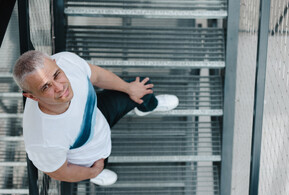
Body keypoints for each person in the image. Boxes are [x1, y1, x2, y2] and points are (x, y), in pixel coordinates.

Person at [13, 51, 179, 186]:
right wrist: (93, 171)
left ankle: (146, 107)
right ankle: (96, 176)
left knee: (141, 88)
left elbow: (98, 77)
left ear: (56, 63)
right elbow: (60, 172)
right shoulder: (42, 140)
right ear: (32, 97)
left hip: (96, 111)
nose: (60, 87)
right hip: (91, 155)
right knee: (98, 166)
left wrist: (129, 88)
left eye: (56, 75)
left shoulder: (66, 61)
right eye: (46, 87)